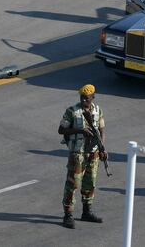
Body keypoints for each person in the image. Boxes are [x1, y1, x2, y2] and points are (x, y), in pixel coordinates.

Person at [59, 84, 105, 228]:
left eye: (87, 98)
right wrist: (79, 130)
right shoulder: (72, 112)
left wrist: (102, 147)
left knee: (90, 182)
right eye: (82, 98)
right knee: (73, 184)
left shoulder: (98, 110)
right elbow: (61, 130)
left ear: (93, 98)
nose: (84, 100)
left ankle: (87, 211)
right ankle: (68, 215)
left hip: (93, 152)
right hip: (77, 154)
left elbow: (101, 129)